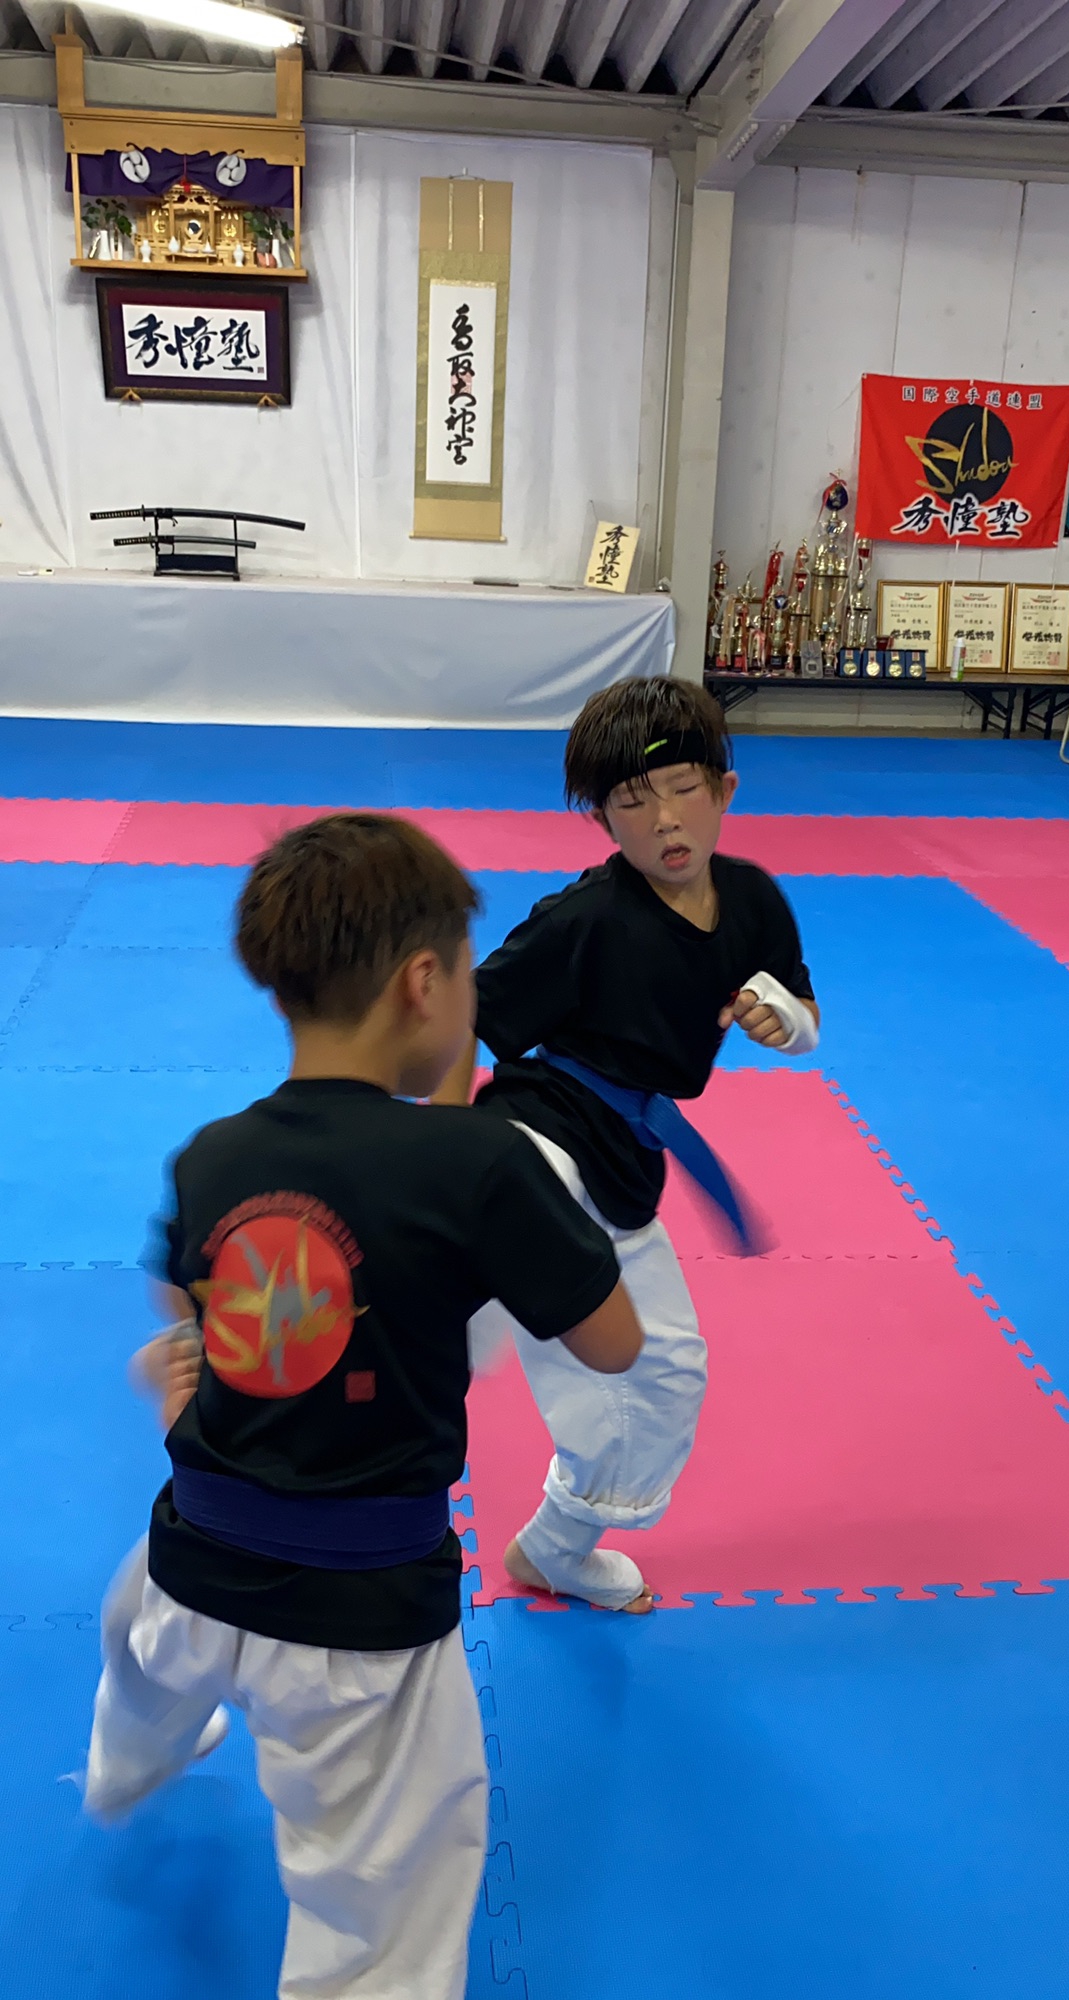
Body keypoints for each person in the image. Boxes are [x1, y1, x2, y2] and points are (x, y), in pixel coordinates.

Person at [85, 812, 642, 2000]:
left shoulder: (212, 1153)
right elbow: (612, 1343)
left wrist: (187, 1364)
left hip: (189, 1565)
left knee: (142, 1662)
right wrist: (519, 1208)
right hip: (359, 1619)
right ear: (423, 983)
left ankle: (122, 1769)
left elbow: (187, 1305)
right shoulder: (479, 1165)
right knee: (385, 1910)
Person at [433, 677, 819, 1616]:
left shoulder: (753, 902)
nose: (665, 819)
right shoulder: (586, 919)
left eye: (683, 788)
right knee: (436, 1327)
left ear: (724, 790)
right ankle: (319, 1471)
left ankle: (554, 1547)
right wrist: (430, 1153)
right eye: (634, 802)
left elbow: (803, 1009)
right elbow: (459, 1020)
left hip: (624, 1163)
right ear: (603, 821)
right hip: (534, 1141)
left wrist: (784, 1019)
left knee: (668, 1369)